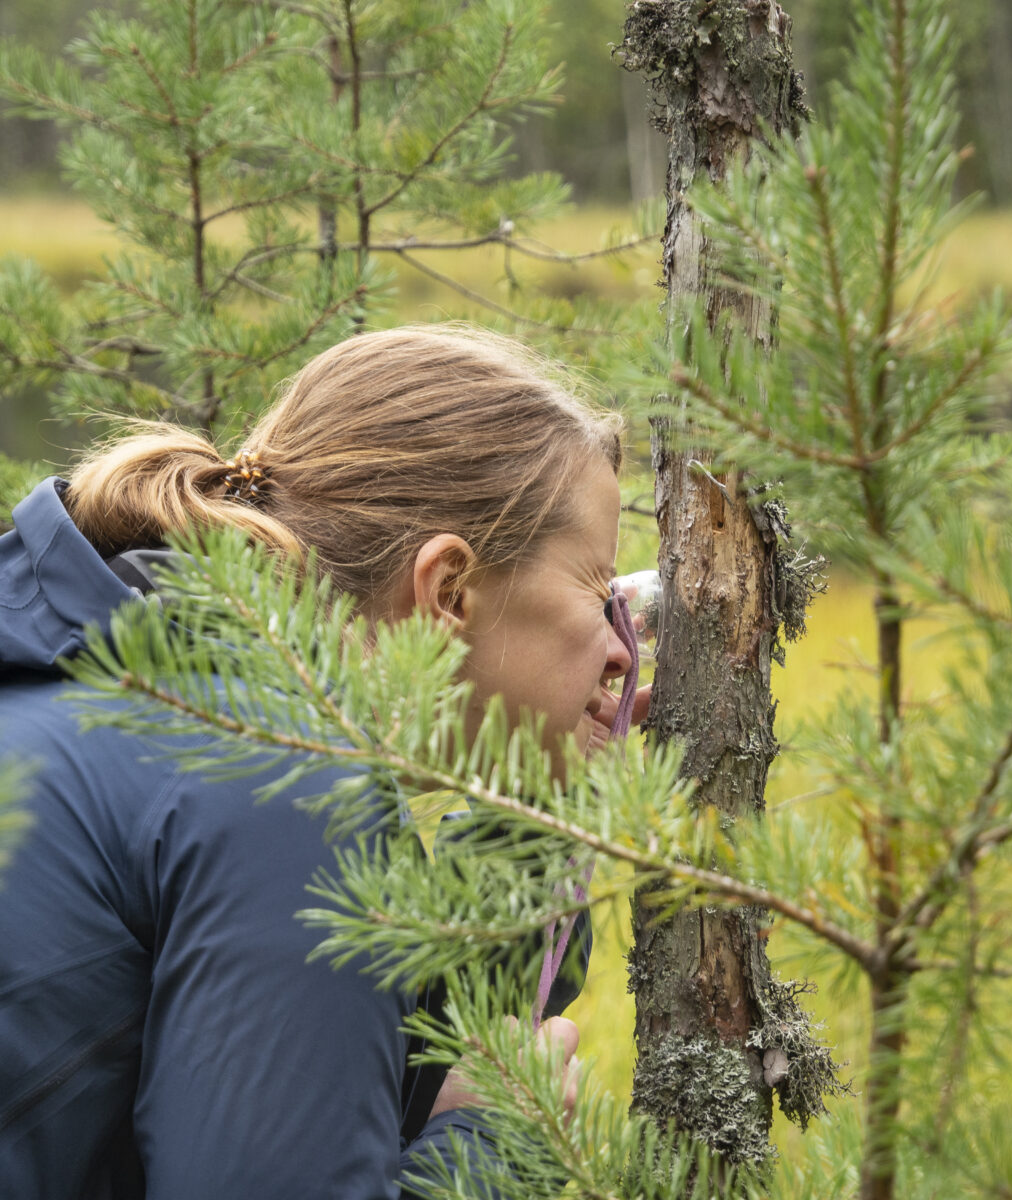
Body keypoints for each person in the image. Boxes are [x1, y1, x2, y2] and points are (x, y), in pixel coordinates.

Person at [0, 326, 644, 1198]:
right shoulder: (287, 783)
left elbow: (310, 1067)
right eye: (595, 585)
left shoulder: (110, 669)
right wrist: (495, 1150)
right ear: (449, 590)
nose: (620, 646)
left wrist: (533, 813)